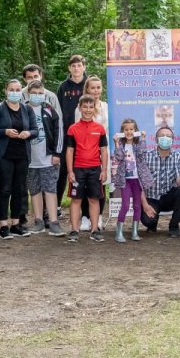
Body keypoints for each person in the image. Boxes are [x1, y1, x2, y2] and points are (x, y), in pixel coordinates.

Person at [0, 78, 39, 240]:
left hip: (22, 155)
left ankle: (16, 224)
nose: (14, 93)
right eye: (11, 89)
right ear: (6, 91)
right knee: (5, 189)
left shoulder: (26, 109)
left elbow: (35, 130)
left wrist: (28, 133)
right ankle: (3, 226)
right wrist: (5, 132)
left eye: (17, 90)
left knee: (19, 190)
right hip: (3, 155)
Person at [64, 95, 107, 243]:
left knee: (94, 199)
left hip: (95, 169)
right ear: (80, 108)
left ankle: (95, 230)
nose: (88, 110)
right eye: (85, 107)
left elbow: (104, 150)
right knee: (76, 199)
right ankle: (74, 230)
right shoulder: (72, 129)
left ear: (94, 108)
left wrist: (104, 170)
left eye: (91, 107)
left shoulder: (100, 128)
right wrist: (70, 171)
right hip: (78, 169)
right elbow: (69, 151)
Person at [24, 80, 65, 236]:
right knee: (34, 190)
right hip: (30, 159)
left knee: (50, 189)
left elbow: (59, 131)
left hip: (48, 157)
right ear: (28, 93)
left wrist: (56, 153)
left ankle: (54, 222)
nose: (37, 96)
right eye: (34, 93)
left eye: (40, 93)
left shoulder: (49, 109)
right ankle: (38, 221)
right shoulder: (23, 109)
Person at [139, 127, 180, 236]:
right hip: (151, 198)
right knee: (148, 221)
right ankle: (153, 224)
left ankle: (174, 226)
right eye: (162, 135)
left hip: (169, 197)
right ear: (156, 139)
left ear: (173, 140)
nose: (165, 138)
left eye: (168, 136)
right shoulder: (146, 156)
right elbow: (140, 184)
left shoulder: (177, 157)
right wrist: (145, 205)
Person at [110, 118, 151, 242]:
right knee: (126, 205)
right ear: (122, 131)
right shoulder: (121, 145)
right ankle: (119, 232)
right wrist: (116, 143)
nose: (129, 132)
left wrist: (143, 138)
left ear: (135, 130)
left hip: (137, 179)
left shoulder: (137, 144)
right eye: (126, 129)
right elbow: (119, 156)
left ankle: (134, 232)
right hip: (125, 180)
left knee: (138, 206)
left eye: (131, 129)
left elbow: (141, 152)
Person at [56, 55, 89, 203]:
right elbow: (58, 111)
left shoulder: (89, 85)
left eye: (79, 65)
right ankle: (55, 205)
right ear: (69, 68)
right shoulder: (63, 87)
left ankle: (86, 208)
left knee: (86, 170)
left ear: (84, 67)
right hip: (67, 134)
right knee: (63, 170)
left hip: (87, 134)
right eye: (73, 66)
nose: (76, 68)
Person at [81, 74, 111, 230]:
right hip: (86, 152)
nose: (95, 90)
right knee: (86, 185)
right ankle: (85, 217)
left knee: (100, 185)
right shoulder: (80, 107)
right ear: (87, 89)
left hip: (103, 150)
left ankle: (98, 217)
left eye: (98, 87)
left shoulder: (107, 106)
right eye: (92, 87)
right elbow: (76, 130)